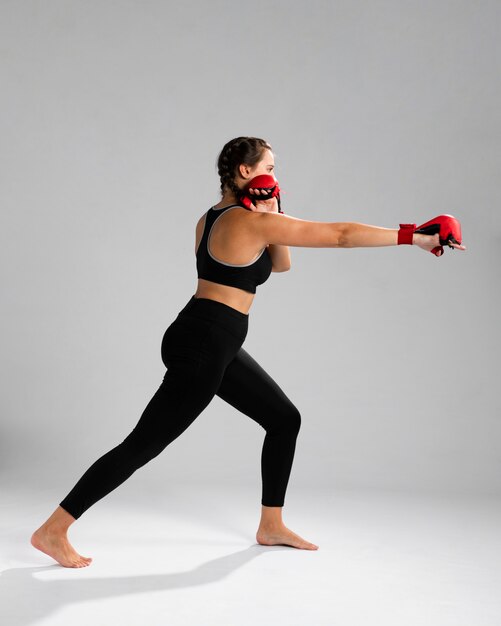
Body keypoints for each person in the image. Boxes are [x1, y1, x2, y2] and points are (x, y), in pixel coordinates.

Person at [30, 136, 466, 568]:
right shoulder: (245, 222)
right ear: (245, 172)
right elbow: (342, 236)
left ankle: (271, 525)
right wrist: (415, 235)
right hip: (205, 342)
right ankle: (54, 529)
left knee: (283, 420)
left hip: (209, 337)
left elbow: (281, 264)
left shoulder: (212, 219)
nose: (276, 175)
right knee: (143, 444)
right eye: (270, 167)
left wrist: (274, 213)